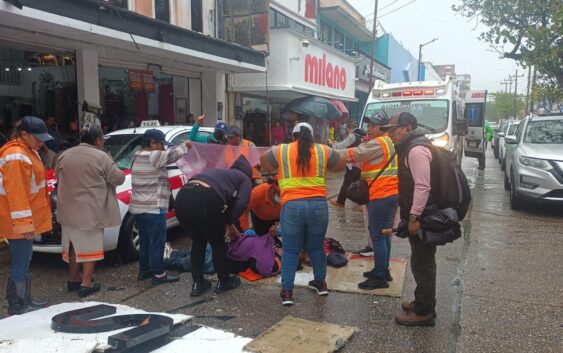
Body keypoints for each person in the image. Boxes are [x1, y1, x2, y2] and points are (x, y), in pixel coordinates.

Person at [260, 122, 345, 306]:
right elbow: (340, 165)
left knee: (291, 249)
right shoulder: (322, 150)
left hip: (292, 205)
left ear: (293, 136)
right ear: (312, 136)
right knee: (316, 247)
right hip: (318, 206)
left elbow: (263, 161)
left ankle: (287, 291)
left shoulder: (283, 150)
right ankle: (320, 283)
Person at [56, 123, 125, 297]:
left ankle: (73, 279)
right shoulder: (101, 157)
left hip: (67, 211)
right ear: (98, 140)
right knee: (90, 249)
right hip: (90, 212)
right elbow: (119, 179)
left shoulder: (65, 155)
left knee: (73, 246)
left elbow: (58, 176)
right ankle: (86, 283)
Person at [382, 112, 437, 326]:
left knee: (423, 263)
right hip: (422, 214)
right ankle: (422, 302)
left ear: (407, 128)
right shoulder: (412, 146)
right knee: (419, 261)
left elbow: (423, 186)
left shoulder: (416, 150)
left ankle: (424, 312)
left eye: (393, 129)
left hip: (424, 216)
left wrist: (414, 216)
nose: (390, 134)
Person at [335, 113, 399, 290]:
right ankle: (383, 270)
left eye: (373, 126)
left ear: (383, 128)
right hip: (389, 193)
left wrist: (329, 152)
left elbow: (356, 154)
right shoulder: (387, 141)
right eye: (369, 125)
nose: (369, 129)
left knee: (377, 236)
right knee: (383, 235)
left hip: (381, 194)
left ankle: (379, 277)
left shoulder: (379, 142)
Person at [175, 155, 253, 297]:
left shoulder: (223, 174)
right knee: (218, 243)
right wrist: (229, 223)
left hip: (182, 198)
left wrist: (227, 221)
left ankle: (198, 284)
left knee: (198, 242)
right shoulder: (244, 179)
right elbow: (241, 203)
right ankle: (224, 281)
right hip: (205, 197)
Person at [0, 116, 53, 315]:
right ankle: (18, 304)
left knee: (25, 258)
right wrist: (24, 225)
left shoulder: (26, 152)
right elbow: (16, 194)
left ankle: (23, 299)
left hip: (21, 220)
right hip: (18, 222)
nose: (41, 142)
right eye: (37, 138)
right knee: (21, 259)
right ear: (23, 134)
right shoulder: (17, 156)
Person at [129, 129, 192, 285]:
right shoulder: (154, 155)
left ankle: (145, 270)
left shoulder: (135, 156)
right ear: (152, 143)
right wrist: (185, 146)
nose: (163, 148)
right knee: (157, 241)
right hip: (153, 207)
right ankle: (158, 274)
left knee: (145, 241)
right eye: (161, 145)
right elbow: (171, 155)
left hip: (139, 208)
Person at [328, 123, 366, 208]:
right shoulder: (363, 135)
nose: (345, 132)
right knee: (361, 183)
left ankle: (340, 202)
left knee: (347, 183)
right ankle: (362, 204)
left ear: (349, 128)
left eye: (346, 130)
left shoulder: (353, 135)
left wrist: (332, 145)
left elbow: (342, 145)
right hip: (362, 164)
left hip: (353, 164)